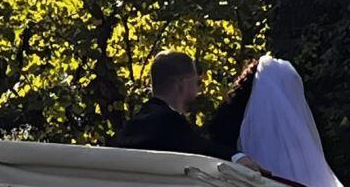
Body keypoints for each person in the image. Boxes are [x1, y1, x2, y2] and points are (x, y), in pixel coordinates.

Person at [113, 51, 264, 170]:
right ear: (182, 84)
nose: (199, 89)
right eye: (197, 82)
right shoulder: (168, 122)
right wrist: (237, 157)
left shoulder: (136, 122)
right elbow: (200, 147)